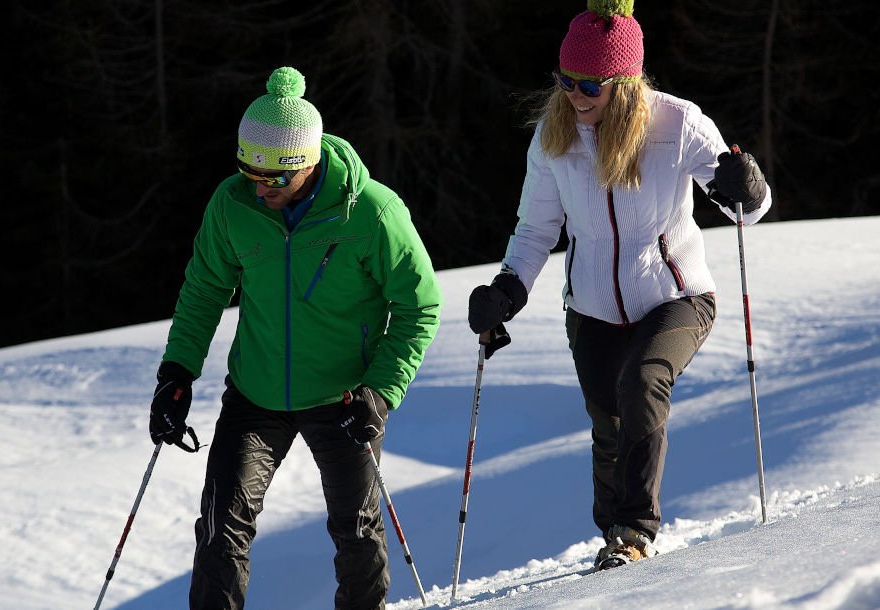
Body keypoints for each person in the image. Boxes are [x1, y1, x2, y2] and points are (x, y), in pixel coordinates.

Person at [466, 0, 773, 571]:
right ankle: (614, 535)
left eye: (590, 85)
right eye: (565, 81)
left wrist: (747, 188)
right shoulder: (553, 137)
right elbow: (536, 227)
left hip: (677, 297)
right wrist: (508, 289)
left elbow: (742, 208)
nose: (575, 96)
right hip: (591, 306)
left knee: (643, 382)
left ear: (625, 85)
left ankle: (635, 532)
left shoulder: (678, 124)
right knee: (608, 422)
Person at [147, 66, 442, 609]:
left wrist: (380, 391)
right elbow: (204, 291)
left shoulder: (371, 212)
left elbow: (419, 306)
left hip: (346, 397)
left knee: (355, 529)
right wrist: (176, 374)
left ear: (306, 162)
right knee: (221, 526)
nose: (259, 189)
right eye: (248, 172)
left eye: (273, 179)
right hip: (256, 393)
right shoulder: (232, 204)